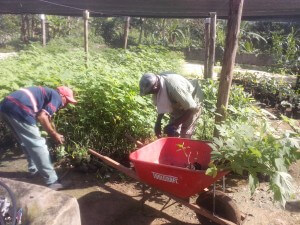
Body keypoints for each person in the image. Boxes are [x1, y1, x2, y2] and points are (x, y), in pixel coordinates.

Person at [0, 86, 77, 190]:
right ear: (62, 95)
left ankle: (34, 170)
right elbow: (42, 116)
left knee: (25, 141)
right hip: (20, 109)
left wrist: (53, 130)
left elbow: (44, 115)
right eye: (67, 101)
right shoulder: (56, 97)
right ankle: (53, 181)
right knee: (38, 145)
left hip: (5, 106)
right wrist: (54, 134)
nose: (65, 104)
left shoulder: (46, 93)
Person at [139, 73, 203, 138]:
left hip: (192, 101)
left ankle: (185, 145)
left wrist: (175, 124)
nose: (151, 94)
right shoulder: (158, 83)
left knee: (185, 133)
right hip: (179, 101)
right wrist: (158, 123)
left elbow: (193, 108)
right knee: (172, 132)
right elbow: (162, 102)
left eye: (150, 92)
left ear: (155, 87)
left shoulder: (175, 88)